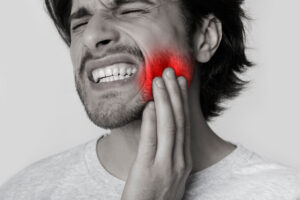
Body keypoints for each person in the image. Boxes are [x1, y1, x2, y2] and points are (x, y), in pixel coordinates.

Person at [1, 0, 299, 199]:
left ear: (204, 37)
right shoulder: (24, 192)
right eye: (80, 23)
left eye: (131, 9)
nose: (92, 36)